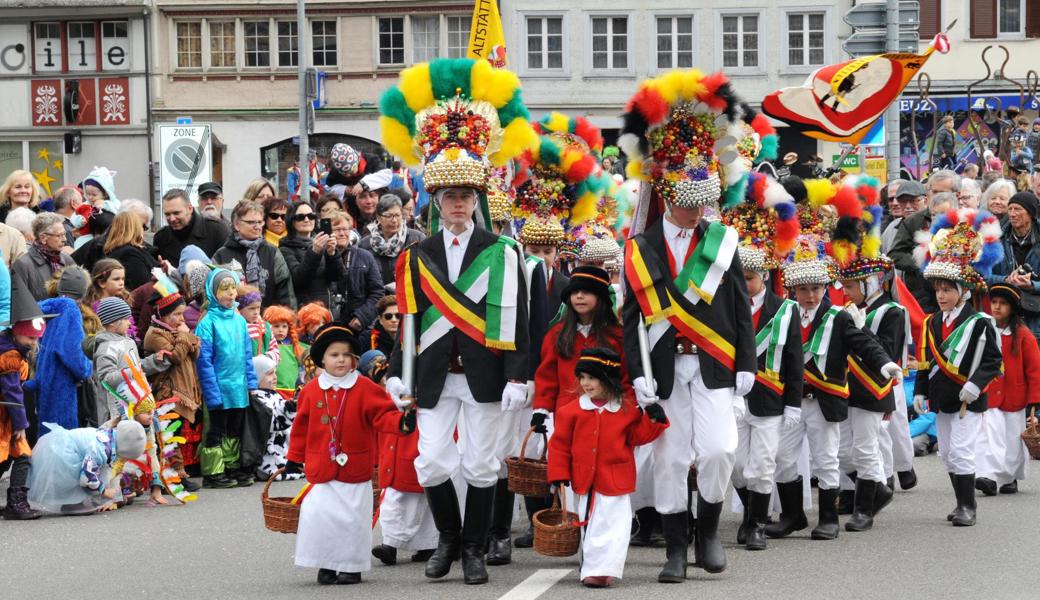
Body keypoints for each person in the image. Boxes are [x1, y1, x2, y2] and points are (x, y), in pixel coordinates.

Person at [380, 56, 534, 586]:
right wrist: (396, 372)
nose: (459, 203)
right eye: (450, 196)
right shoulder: (416, 255)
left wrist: (519, 374)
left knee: (483, 467)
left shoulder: (503, 251)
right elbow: (409, 318)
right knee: (432, 463)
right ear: (437, 201)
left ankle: (471, 547)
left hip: (486, 372)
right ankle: (446, 536)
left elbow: (518, 317)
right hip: (433, 373)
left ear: (477, 199)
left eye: (467, 195)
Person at [619, 69, 760, 581]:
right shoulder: (640, 246)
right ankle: (676, 549)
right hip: (663, 366)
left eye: (699, 196)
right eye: (682, 195)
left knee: (720, 449)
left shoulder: (722, 241)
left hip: (716, 363)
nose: (691, 205)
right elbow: (632, 316)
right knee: (671, 458)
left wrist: (747, 362)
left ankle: (708, 534)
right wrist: (636, 371)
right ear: (664, 191)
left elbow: (741, 310)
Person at [766, 231, 901, 541]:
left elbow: (864, 344)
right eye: (803, 289)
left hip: (824, 400)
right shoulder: (783, 315)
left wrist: (885, 364)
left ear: (825, 287)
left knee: (826, 459)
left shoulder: (836, 317)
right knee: (783, 458)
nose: (810, 296)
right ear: (792, 290)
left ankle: (828, 518)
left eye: (816, 288)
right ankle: (792, 515)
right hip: (792, 401)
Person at [284, 324, 415, 585]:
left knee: (352, 519)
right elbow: (301, 426)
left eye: (346, 354)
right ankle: (326, 563)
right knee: (319, 515)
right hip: (322, 467)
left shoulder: (364, 387)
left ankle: (350, 566)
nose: (341, 359)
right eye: (334, 355)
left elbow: (384, 413)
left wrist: (401, 423)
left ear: (354, 358)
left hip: (355, 465)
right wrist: (294, 457)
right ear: (322, 359)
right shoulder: (311, 391)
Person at [719, 174, 803, 551]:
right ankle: (749, 512)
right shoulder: (724, 307)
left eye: (749, 278)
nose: (744, 283)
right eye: (739, 276)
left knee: (763, 463)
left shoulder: (785, 310)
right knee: (734, 464)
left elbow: (794, 362)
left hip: (770, 399)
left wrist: (794, 404)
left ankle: (754, 524)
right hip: (731, 397)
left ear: (764, 276)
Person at [548, 347, 669, 588]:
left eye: (592, 378)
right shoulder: (570, 412)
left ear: (607, 379)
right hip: (583, 480)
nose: (585, 383)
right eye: (582, 377)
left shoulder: (626, 411)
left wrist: (654, 418)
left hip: (616, 480)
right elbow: (559, 445)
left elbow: (638, 437)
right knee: (588, 524)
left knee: (614, 526)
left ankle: (604, 570)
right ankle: (592, 566)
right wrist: (559, 475)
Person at [912, 209, 1003, 527]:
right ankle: (959, 501)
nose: (941, 296)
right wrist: (921, 390)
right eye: (938, 290)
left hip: (968, 398)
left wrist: (975, 384)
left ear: (963, 291)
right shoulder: (931, 322)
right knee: (948, 452)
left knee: (963, 450)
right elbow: (925, 361)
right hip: (941, 396)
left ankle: (969, 506)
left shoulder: (980, 322)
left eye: (948, 290)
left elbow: (993, 361)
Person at [833, 207, 909, 532]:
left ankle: (865, 508)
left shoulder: (891, 312)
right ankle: (876, 489)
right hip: (848, 387)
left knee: (865, 447)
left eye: (852, 286)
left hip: (874, 389)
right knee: (841, 449)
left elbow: (888, 355)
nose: (845, 293)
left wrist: (860, 330)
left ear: (872, 282)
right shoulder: (851, 310)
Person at [195, 268, 259, 488]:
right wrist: (211, 392)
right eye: (225, 289)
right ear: (212, 292)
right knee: (217, 430)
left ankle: (231, 466)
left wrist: (251, 383)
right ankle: (213, 472)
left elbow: (247, 354)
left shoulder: (239, 320)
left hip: (238, 386)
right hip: (219, 387)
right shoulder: (207, 324)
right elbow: (204, 361)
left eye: (233, 288)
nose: (231, 293)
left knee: (234, 428)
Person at [974, 284, 1040, 496]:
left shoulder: (1023, 335)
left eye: (1003, 304)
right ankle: (989, 476)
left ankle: (1009, 477)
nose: (997, 307)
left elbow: (1035, 369)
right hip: (990, 393)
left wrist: (1035, 402)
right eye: (994, 302)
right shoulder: (984, 329)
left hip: (1015, 396)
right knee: (990, 435)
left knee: (1012, 439)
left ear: (1012, 308)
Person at [142, 279, 203, 493]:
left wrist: (186, 339)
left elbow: (196, 350)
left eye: (182, 314)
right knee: (168, 435)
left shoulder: (176, 331)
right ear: (163, 315)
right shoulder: (155, 334)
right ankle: (175, 475)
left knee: (174, 434)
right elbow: (177, 356)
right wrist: (186, 336)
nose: (180, 319)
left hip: (183, 390)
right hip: (168, 391)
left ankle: (175, 473)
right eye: (175, 315)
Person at [0, 279, 50, 519]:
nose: (34, 343)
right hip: (6, 416)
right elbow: (11, 392)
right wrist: (20, 424)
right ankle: (17, 505)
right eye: (31, 338)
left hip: (7, 415)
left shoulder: (11, 349)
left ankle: (15, 503)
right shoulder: (9, 355)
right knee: (22, 456)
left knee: (6, 459)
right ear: (19, 333)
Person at [27, 419, 146, 515]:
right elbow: (87, 476)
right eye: (126, 457)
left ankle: (75, 501)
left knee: (96, 474)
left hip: (63, 448)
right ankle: (71, 502)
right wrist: (104, 491)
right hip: (61, 456)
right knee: (80, 477)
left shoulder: (108, 437)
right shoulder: (100, 449)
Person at [890, 171, 962, 314]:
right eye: (933, 191)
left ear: (957, 195)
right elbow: (895, 254)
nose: (936, 197)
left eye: (942, 192)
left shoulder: (966, 221)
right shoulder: (913, 221)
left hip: (958, 297)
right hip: (922, 299)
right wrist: (922, 263)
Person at [92, 297, 170, 423]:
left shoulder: (127, 340)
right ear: (112, 322)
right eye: (125, 319)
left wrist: (155, 361)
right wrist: (133, 371)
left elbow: (137, 367)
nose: (129, 323)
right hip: (117, 410)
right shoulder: (107, 348)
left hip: (137, 403)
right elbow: (106, 378)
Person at [25, 295, 93, 435]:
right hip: (62, 387)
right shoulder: (69, 309)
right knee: (62, 443)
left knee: (47, 439)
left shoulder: (42, 310)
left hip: (42, 382)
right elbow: (73, 352)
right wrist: (87, 368)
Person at [213, 200, 296, 309]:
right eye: (251, 222)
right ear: (237, 225)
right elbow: (214, 293)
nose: (257, 226)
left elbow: (286, 293)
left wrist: (287, 318)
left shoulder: (272, 252)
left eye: (260, 222)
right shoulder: (222, 255)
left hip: (269, 322)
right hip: (233, 321)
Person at [986, 192, 1040, 339]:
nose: (1012, 214)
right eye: (1010, 209)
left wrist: (1032, 285)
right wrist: (1006, 280)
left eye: (1017, 209)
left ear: (1031, 213)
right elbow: (983, 276)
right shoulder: (996, 239)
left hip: (1035, 320)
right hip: (1003, 319)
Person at [328, 211, 384, 332]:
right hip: (329, 322)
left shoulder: (365, 256)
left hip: (359, 326)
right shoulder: (320, 256)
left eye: (345, 229)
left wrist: (362, 317)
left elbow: (377, 292)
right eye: (337, 229)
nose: (342, 233)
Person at [278, 201, 342, 307]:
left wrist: (332, 253)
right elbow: (298, 279)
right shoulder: (285, 248)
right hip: (304, 308)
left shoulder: (323, 242)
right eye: (300, 217)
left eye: (311, 216)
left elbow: (337, 277)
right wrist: (314, 252)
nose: (307, 220)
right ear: (291, 221)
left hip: (328, 307)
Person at [249, 354, 300, 482]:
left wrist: (291, 406)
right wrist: (288, 409)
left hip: (282, 447)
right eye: (270, 374)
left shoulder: (273, 394)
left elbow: (280, 407)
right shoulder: (256, 398)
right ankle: (269, 470)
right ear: (257, 375)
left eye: (275, 373)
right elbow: (269, 421)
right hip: (268, 452)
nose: (275, 377)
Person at [358, 194, 425, 288]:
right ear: (378, 217)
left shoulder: (417, 238)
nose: (394, 220)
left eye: (397, 215)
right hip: (378, 298)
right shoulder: (364, 245)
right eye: (389, 216)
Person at [153, 189, 230, 266]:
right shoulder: (161, 237)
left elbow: (230, 267)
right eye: (167, 214)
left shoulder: (216, 230)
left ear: (190, 209)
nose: (172, 218)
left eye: (176, 213)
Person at [12, 213, 74, 300]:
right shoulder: (23, 264)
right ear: (43, 238)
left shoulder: (67, 260)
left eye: (64, 234)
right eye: (59, 235)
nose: (65, 239)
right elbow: (20, 301)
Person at [102, 211, 159, 292]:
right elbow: (144, 285)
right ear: (136, 228)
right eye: (142, 226)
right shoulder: (129, 254)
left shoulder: (117, 251)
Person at [263, 304, 306, 391]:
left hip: (292, 391)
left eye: (284, 326)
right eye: (276, 326)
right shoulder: (265, 345)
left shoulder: (293, 346)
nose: (281, 330)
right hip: (273, 389)